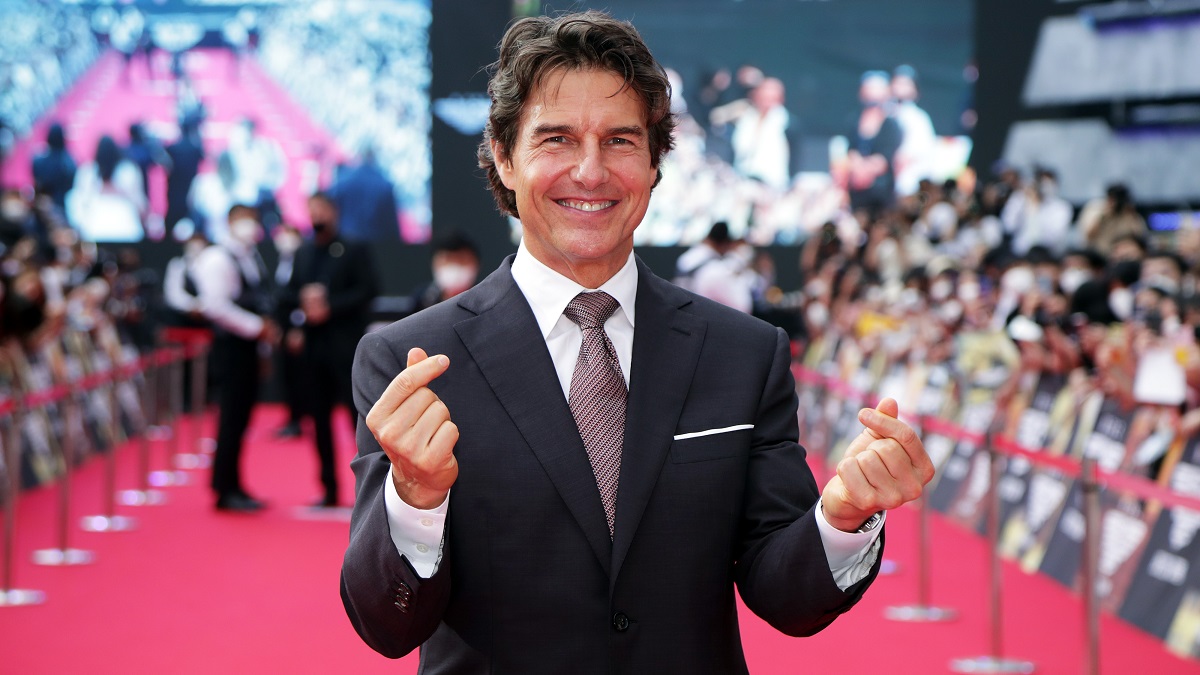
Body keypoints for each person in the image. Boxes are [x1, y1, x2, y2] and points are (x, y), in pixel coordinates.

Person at [341, 11, 933, 672]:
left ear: (655, 163)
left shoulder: (742, 353)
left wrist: (843, 516)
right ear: (505, 157)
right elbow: (387, 624)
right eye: (557, 139)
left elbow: (785, 595)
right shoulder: (412, 364)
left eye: (621, 140)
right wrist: (416, 500)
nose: (590, 172)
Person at [278, 192, 377, 507]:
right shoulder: (304, 252)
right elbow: (289, 293)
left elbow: (368, 290)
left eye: (321, 209)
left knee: (357, 421)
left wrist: (329, 308)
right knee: (318, 420)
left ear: (334, 211)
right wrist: (301, 310)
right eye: (311, 209)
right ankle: (329, 488)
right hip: (314, 350)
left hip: (347, 349)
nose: (316, 215)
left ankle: (368, 490)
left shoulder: (354, 248)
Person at [192, 204, 279, 511]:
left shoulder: (250, 256)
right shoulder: (217, 258)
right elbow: (215, 306)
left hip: (250, 348)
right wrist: (257, 328)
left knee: (241, 419)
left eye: (254, 220)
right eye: (244, 219)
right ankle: (224, 487)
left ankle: (233, 483)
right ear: (230, 221)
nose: (250, 226)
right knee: (231, 418)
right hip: (231, 348)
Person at [327, 147, 401, 242]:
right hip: (375, 247)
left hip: (344, 243)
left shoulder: (343, 182)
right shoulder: (384, 185)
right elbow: (392, 226)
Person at [409, 232, 480, 314]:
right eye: (447, 259)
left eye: (462, 260)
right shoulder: (423, 299)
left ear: (476, 263)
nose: (455, 266)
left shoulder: (486, 299)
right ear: (434, 263)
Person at [31, 122, 76, 213]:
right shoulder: (70, 162)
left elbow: (37, 180)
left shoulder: (39, 161)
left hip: (43, 203)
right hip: (62, 204)